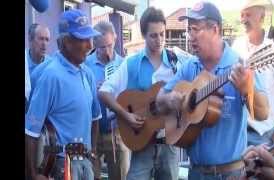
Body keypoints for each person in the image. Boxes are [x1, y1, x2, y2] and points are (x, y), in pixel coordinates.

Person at [155, 1, 269, 179]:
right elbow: (159, 100)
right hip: (195, 172)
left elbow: (264, 113)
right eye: (188, 30)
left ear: (215, 29)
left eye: (195, 29)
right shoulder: (189, 66)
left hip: (230, 174)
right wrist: (171, 100)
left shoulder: (239, 65)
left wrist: (246, 90)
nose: (190, 36)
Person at [98, 7, 187, 180]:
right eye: (153, 35)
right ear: (144, 35)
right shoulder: (131, 64)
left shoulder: (177, 63)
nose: (159, 40)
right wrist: (125, 115)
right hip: (142, 144)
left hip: (169, 145)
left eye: (162, 34)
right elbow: (104, 92)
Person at [25, 9, 102, 180]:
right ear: (66, 42)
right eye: (84, 40)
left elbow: (95, 118)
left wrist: (93, 156)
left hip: (85, 163)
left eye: (90, 39)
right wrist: (32, 175)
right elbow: (30, 131)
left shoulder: (88, 74)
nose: (90, 46)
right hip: (61, 166)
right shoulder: (50, 76)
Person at [232, 0, 274, 147]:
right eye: (242, 15)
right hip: (238, 129)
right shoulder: (237, 45)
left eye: (248, 15)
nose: (244, 19)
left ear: (262, 17)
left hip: (263, 132)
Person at [85, 21, 130, 180]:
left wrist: (112, 93)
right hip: (92, 132)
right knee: (91, 176)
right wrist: (93, 91)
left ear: (116, 39)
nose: (107, 51)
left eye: (110, 45)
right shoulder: (85, 65)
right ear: (94, 44)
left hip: (118, 131)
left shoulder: (124, 64)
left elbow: (130, 98)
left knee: (120, 176)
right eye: (102, 47)